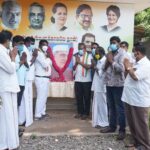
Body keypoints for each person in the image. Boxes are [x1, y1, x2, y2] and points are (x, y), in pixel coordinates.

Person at [122, 44, 150, 150]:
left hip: (139, 100)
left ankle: (144, 146)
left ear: (137, 53)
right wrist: (127, 68)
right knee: (133, 123)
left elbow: (135, 77)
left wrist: (127, 65)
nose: (133, 55)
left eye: (134, 52)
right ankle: (136, 143)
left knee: (141, 124)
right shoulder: (137, 63)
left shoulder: (146, 64)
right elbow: (128, 75)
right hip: (130, 98)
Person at [100, 36, 127, 141]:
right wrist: (108, 60)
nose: (112, 44)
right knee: (111, 106)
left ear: (119, 44)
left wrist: (112, 61)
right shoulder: (110, 53)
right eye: (111, 42)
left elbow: (121, 69)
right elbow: (103, 68)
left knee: (120, 108)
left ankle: (122, 130)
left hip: (118, 85)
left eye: (114, 42)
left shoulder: (122, 54)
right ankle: (112, 126)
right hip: (109, 84)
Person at [0, 30, 20, 150]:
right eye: (11, 40)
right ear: (7, 41)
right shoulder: (1, 52)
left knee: (10, 116)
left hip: (9, 88)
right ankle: (4, 144)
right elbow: (11, 69)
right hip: (4, 89)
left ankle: (11, 142)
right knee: (5, 117)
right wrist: (13, 57)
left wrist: (11, 56)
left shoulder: (4, 51)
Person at [19, 37, 37, 127]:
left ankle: (23, 120)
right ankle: (25, 120)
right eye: (31, 43)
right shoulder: (24, 50)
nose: (32, 45)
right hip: (25, 79)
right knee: (26, 100)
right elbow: (27, 64)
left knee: (25, 100)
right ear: (27, 42)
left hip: (27, 79)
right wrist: (34, 57)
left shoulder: (26, 50)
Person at [74, 42, 93, 120]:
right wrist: (76, 62)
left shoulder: (89, 56)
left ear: (85, 49)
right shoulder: (76, 56)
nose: (80, 50)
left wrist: (79, 62)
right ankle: (80, 112)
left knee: (86, 98)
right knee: (79, 98)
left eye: (82, 48)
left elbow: (88, 67)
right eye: (79, 48)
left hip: (86, 81)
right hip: (77, 80)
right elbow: (74, 67)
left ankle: (86, 113)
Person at [91, 46, 109, 128]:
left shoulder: (105, 61)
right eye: (95, 53)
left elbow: (101, 74)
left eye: (97, 53)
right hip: (97, 86)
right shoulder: (99, 60)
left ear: (101, 53)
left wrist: (95, 66)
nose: (96, 54)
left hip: (102, 87)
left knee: (102, 106)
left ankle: (104, 123)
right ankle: (97, 122)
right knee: (97, 105)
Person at [34, 39, 52, 120]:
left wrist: (47, 59)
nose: (46, 46)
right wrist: (48, 58)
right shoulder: (39, 53)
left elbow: (49, 64)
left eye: (47, 45)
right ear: (40, 45)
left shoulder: (44, 53)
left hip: (45, 78)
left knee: (44, 97)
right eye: (44, 45)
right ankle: (37, 115)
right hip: (40, 78)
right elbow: (45, 65)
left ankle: (42, 112)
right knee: (41, 97)